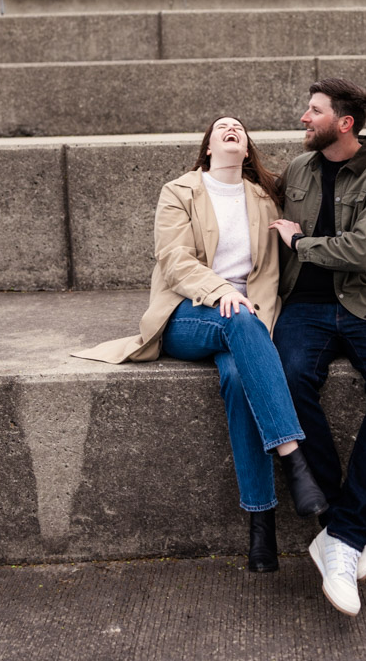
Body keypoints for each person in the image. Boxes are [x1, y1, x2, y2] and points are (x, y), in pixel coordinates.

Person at [72, 115, 327, 572]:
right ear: (208, 146)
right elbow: (173, 261)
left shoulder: (264, 199)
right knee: (238, 323)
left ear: (246, 149)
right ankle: (293, 457)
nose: (232, 130)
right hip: (188, 313)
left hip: (246, 319)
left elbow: (273, 274)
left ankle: (261, 524)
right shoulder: (179, 191)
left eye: (239, 128)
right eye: (221, 127)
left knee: (235, 376)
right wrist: (223, 292)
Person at [269, 78, 366, 616]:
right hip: (306, 308)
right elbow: (242, 193)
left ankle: (341, 534)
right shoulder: (296, 170)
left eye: (313, 111)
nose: (303, 118)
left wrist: (299, 242)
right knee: (286, 379)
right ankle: (345, 531)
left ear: (345, 122)